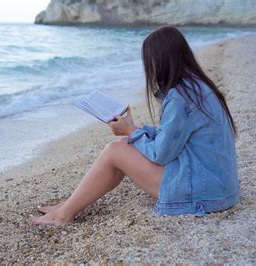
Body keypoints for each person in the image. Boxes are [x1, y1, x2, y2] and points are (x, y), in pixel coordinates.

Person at [31, 26, 240, 225]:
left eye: (149, 62)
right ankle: (68, 206)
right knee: (122, 147)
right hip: (219, 186)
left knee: (115, 151)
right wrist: (134, 129)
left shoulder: (180, 97)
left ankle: (63, 214)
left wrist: (130, 131)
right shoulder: (197, 85)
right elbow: (175, 137)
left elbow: (162, 155)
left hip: (204, 192)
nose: (149, 69)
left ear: (160, 61)